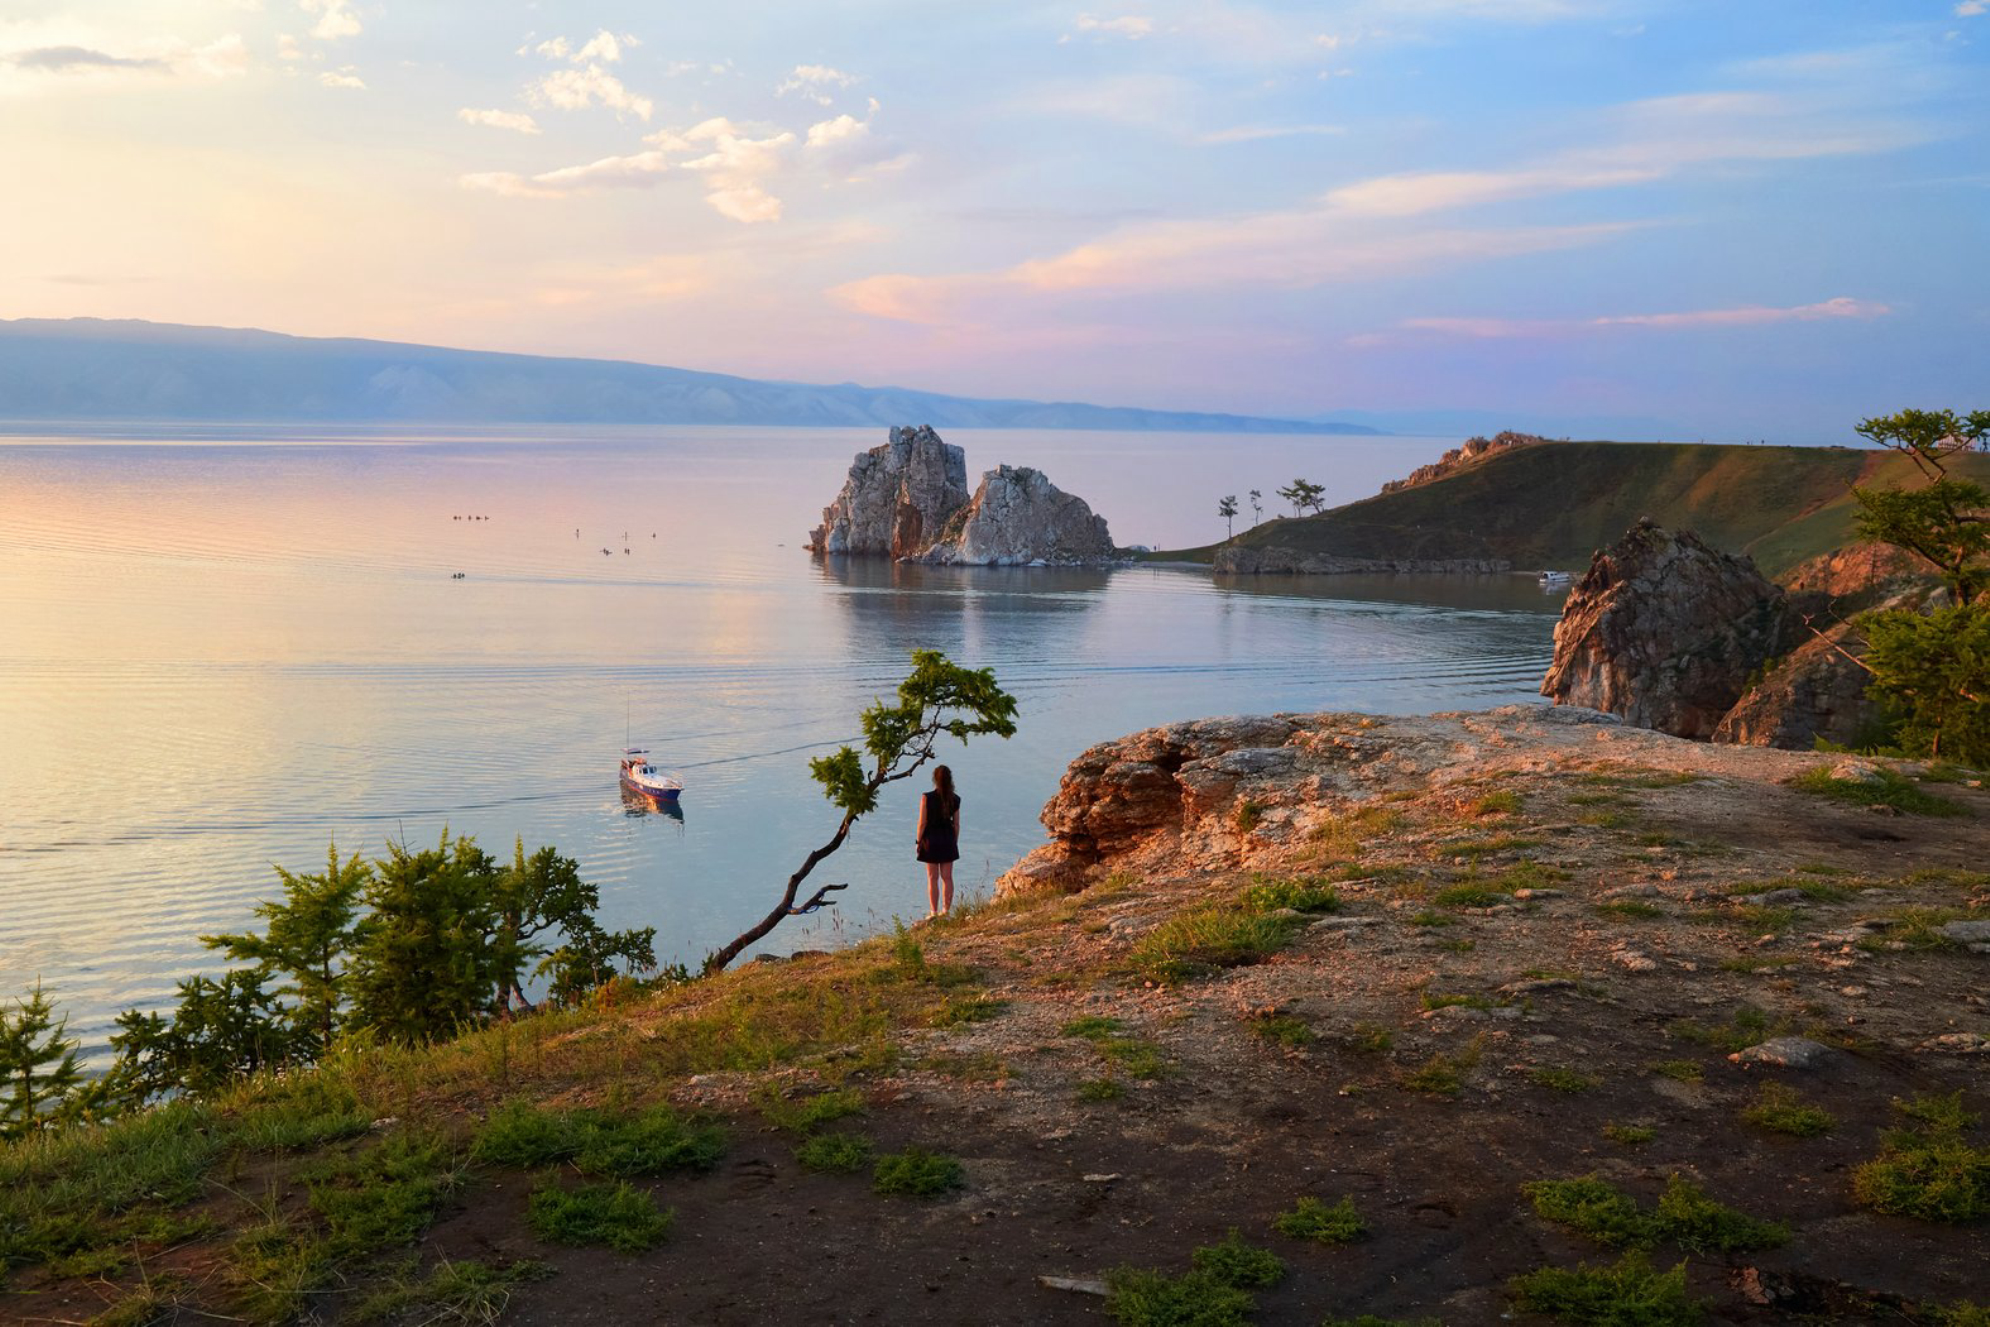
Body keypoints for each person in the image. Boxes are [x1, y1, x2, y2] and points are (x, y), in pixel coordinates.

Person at [915, 764, 962, 917]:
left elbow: (922, 823)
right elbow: (956, 824)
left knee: (932, 878)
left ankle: (933, 912)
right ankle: (946, 911)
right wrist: (954, 841)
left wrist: (918, 841)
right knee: (947, 877)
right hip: (948, 838)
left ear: (934, 779)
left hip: (931, 840)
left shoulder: (926, 798)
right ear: (950, 780)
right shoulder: (955, 799)